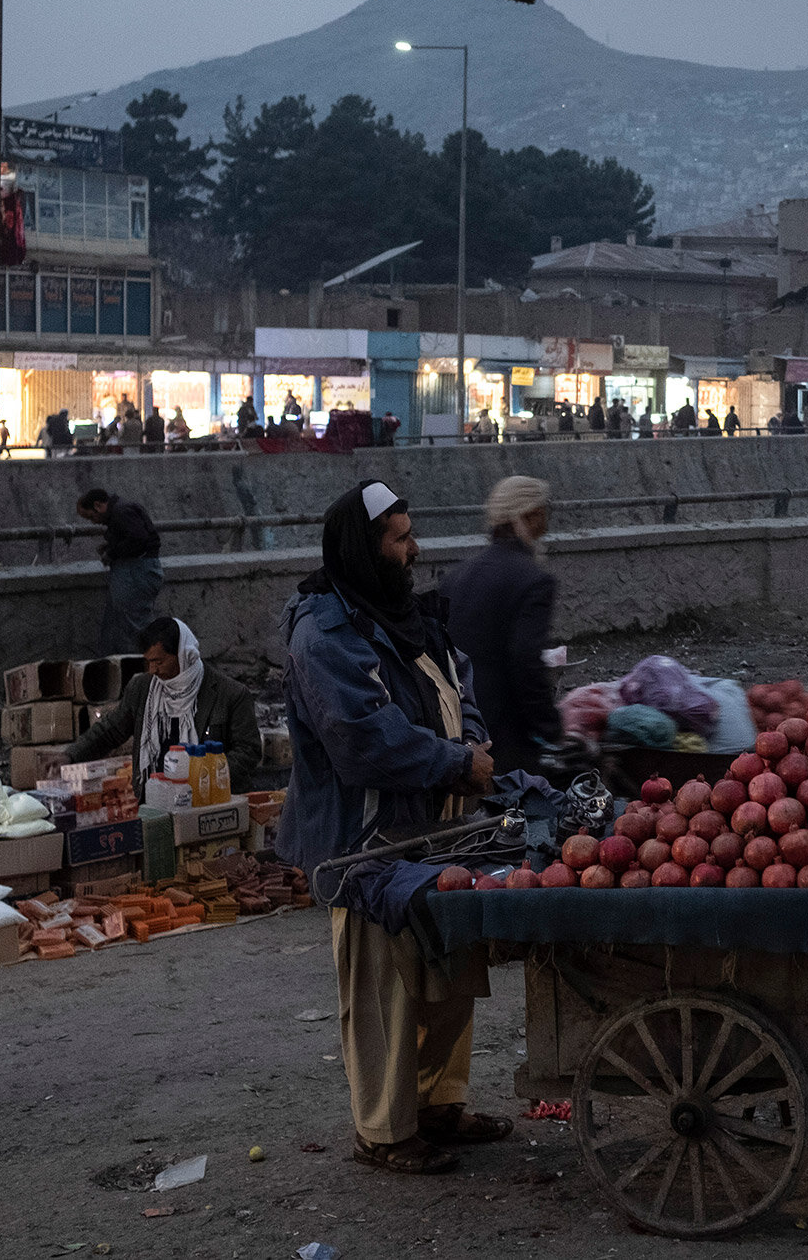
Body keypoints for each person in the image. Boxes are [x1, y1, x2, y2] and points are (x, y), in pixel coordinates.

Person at [277, 480, 508, 1175]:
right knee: (386, 988)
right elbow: (361, 738)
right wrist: (454, 761)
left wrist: (470, 745)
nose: (414, 549)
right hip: (369, 839)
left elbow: (456, 682)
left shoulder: (408, 614)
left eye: (411, 533)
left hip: (438, 826)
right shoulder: (324, 633)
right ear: (365, 546)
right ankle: (383, 1129)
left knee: (449, 969)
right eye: (400, 537)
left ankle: (440, 1102)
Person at [65, 616, 261, 801]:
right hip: (154, 801)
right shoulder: (143, 689)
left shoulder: (230, 694)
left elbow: (248, 750)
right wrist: (71, 755)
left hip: (208, 801)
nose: (153, 670)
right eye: (149, 662)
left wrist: (204, 775)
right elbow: (111, 730)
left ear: (183, 655)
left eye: (159, 662)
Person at [443, 476, 561, 776]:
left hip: (455, 723)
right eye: (545, 511)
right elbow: (525, 662)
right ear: (531, 515)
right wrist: (551, 728)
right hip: (504, 731)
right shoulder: (534, 580)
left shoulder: (458, 575)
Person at [76, 487, 163, 656]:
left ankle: (142, 669)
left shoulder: (122, 512)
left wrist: (112, 553)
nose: (94, 522)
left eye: (92, 516)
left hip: (137, 573)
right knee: (123, 627)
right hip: (137, 571)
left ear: (98, 505)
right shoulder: (122, 511)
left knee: (134, 629)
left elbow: (138, 539)